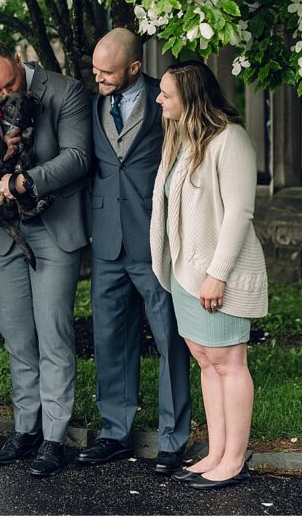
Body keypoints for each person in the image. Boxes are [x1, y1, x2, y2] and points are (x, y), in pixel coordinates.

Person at [0, 42, 91, 477]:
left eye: (9, 86)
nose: (1, 96)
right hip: (4, 233)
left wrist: (23, 180)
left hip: (54, 226)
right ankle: (25, 428)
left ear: (19, 59)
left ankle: (54, 437)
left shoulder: (65, 90)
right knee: (17, 336)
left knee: (53, 333)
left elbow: (77, 158)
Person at [149, 61, 268, 490]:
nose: (158, 99)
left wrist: (216, 274)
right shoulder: (180, 138)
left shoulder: (229, 139)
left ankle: (234, 460)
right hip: (185, 271)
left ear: (192, 98)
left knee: (229, 361)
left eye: (166, 94)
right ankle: (216, 452)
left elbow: (239, 212)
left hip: (217, 273)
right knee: (205, 360)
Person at [79, 29, 192, 474]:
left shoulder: (164, 100)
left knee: (169, 337)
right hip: (106, 238)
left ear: (134, 68)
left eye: (107, 72)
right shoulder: (93, 105)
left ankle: (172, 438)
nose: (98, 78)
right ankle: (114, 432)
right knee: (110, 338)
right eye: (95, 70)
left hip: (153, 235)